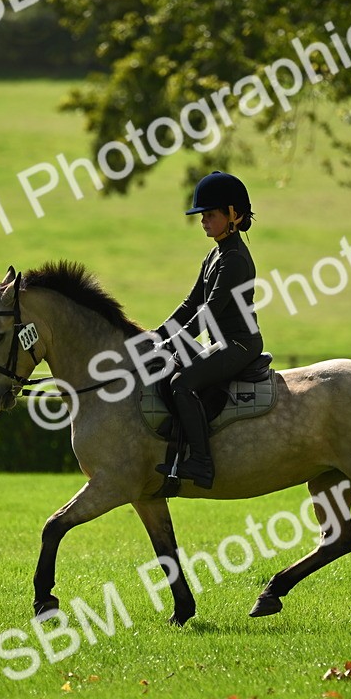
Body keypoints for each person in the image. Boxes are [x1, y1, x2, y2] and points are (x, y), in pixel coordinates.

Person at [153, 171, 264, 489]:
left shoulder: (234, 260)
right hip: (222, 342)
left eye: (210, 214)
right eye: (202, 215)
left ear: (233, 215)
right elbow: (190, 304)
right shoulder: (216, 254)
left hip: (239, 345)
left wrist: (172, 342)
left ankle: (201, 462)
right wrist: (156, 336)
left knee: (181, 383)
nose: (203, 220)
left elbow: (208, 313)